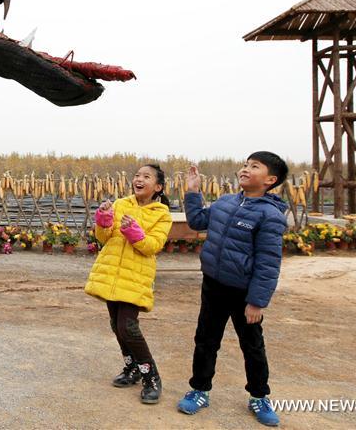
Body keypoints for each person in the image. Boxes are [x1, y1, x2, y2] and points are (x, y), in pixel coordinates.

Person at [176, 152, 289, 427]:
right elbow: (198, 222)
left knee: (252, 345)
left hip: (244, 293)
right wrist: (193, 193)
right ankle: (200, 390)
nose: (245, 169)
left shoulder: (270, 215)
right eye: (245, 164)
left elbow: (268, 263)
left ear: (270, 180)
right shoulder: (226, 202)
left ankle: (259, 396)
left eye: (254, 166)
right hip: (213, 285)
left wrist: (257, 302)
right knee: (205, 340)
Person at [84, 164, 173, 404]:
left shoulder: (161, 214)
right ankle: (132, 367)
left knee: (128, 327)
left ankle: (151, 377)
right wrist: (103, 220)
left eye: (146, 177)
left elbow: (153, 246)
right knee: (116, 325)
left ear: (158, 187)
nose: (139, 179)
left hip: (136, 277)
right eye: (137, 175)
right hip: (112, 274)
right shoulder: (121, 204)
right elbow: (104, 238)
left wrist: (136, 234)